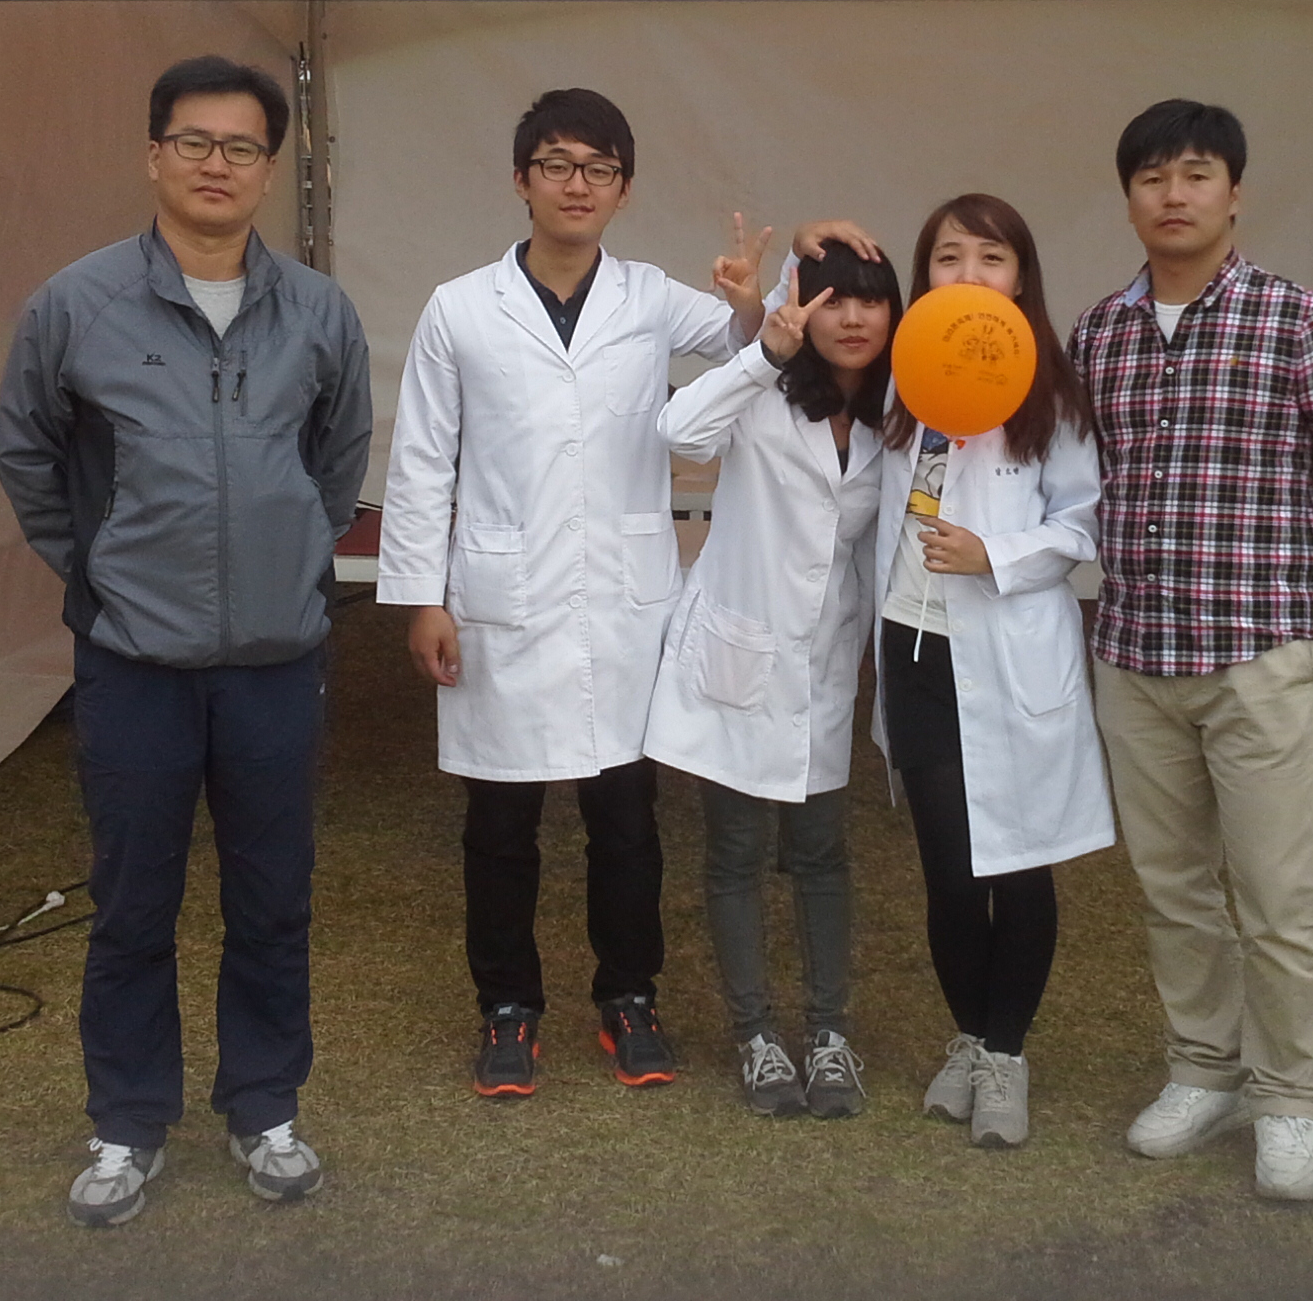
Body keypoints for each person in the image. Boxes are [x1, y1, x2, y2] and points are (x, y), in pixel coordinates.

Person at [0, 55, 372, 1228]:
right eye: (195, 143)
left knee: (273, 900)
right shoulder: (77, 304)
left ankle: (266, 1108)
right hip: (133, 663)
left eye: (242, 147)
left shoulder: (317, 311)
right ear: (154, 154)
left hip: (274, 662)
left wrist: (286, 556)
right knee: (132, 903)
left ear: (272, 167)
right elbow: (26, 453)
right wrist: (101, 573)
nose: (218, 165)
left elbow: (339, 459)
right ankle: (126, 1124)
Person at [380, 89, 763, 1098]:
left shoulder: (651, 298)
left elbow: (754, 353)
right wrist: (422, 595)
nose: (577, 184)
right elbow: (421, 459)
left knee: (626, 819)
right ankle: (507, 1008)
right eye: (556, 164)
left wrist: (745, 302)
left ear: (624, 189)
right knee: (499, 824)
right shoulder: (461, 307)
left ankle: (630, 996)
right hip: (499, 598)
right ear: (522, 179)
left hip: (624, 601)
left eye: (598, 168)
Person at [1067, 98, 1313, 1203]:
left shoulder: (1300, 321)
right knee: (1173, 888)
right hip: (1134, 655)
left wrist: (1290, 593)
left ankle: (1289, 1096)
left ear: (1234, 192)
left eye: (1196, 174)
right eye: (1152, 177)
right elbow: (1083, 478)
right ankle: (1202, 1069)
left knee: (1278, 892)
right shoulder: (1100, 334)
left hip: (1255, 655)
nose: (1174, 195)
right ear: (1128, 198)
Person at [787, 197, 1111, 1149]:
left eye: (991, 258)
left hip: (1012, 655)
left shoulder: (1052, 394)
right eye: (948, 258)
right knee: (951, 872)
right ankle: (970, 1037)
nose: (969, 277)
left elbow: (1082, 525)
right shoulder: (899, 378)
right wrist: (802, 254)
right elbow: (794, 342)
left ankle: (1006, 1055)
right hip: (916, 651)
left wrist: (995, 556)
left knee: (1021, 863)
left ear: (1023, 277)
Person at [644, 238, 897, 1119]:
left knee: (822, 854)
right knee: (737, 854)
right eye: (833, 300)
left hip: (825, 663)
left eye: (870, 300)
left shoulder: (899, 418)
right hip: (739, 655)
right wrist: (762, 351)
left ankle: (829, 1035)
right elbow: (679, 431)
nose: (852, 318)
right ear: (803, 311)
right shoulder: (764, 394)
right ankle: (755, 1035)